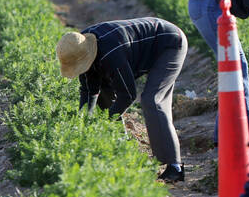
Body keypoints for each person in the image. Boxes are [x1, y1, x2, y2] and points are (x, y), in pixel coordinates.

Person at [56, 17, 188, 182]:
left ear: (86, 57)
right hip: (144, 46)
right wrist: (83, 126)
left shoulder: (111, 53)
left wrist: (106, 121)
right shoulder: (79, 47)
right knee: (104, 92)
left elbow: (128, 94)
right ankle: (121, 146)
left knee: (152, 100)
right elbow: (89, 92)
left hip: (168, 43)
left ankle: (174, 166)